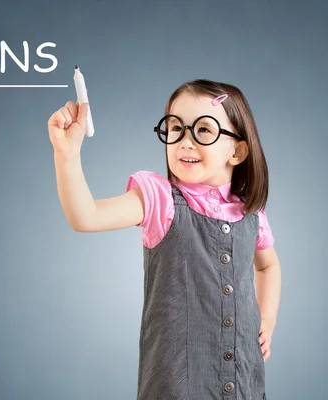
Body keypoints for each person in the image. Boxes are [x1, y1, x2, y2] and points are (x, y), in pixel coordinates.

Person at [48, 79, 282, 400]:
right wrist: (66, 153)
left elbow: (268, 266)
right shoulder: (160, 199)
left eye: (203, 130)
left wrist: (266, 319)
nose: (185, 141)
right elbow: (85, 216)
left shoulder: (250, 214)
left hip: (244, 381)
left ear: (238, 150)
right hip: (175, 386)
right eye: (175, 128)